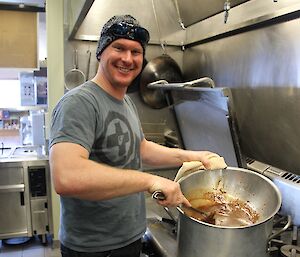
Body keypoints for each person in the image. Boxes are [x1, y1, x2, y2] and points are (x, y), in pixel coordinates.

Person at [49, 14, 224, 257]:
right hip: (95, 248)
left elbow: (140, 148)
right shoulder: (79, 103)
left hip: (128, 237)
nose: (127, 59)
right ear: (101, 52)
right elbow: (66, 177)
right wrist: (150, 181)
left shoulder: (125, 102)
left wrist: (193, 156)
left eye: (136, 52)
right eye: (118, 47)